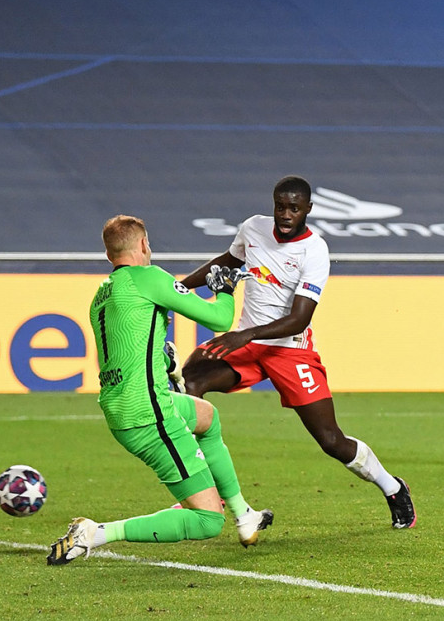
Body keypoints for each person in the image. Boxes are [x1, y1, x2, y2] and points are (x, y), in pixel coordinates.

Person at [179, 176, 416, 529]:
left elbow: (299, 318)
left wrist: (244, 335)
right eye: (280, 206)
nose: (285, 214)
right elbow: (227, 261)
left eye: (293, 208)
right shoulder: (253, 228)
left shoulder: (314, 250)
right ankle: (203, 494)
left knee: (331, 440)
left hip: (290, 350)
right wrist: (178, 288)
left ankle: (393, 487)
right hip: (249, 344)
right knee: (189, 382)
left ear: (308, 209)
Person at [47, 215, 272, 565]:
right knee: (208, 520)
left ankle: (245, 514)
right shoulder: (150, 278)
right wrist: (225, 289)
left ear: (110, 255)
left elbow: (123, 345)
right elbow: (219, 321)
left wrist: (161, 358)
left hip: (126, 404)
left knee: (206, 417)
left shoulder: (103, 293)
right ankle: (97, 532)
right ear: (142, 245)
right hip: (148, 414)